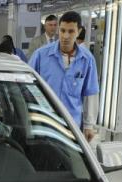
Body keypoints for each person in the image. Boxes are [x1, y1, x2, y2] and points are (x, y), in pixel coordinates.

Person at [29, 11, 99, 142]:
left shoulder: (87, 59)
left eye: (71, 31)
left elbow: (91, 93)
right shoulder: (40, 55)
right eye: (62, 30)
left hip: (72, 126)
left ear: (79, 31)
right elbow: (27, 86)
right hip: (44, 123)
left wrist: (89, 125)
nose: (65, 36)